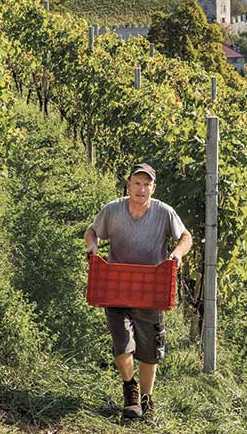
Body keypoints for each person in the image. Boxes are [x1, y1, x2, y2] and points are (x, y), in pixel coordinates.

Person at [85, 163, 192, 424]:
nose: (141, 189)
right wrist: (92, 248)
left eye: (147, 184)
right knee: (122, 347)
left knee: (149, 350)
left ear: (153, 188)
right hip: (117, 287)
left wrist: (176, 255)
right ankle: (129, 388)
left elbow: (186, 237)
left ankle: (146, 399)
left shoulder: (164, 213)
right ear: (128, 185)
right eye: (137, 183)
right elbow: (92, 231)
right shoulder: (113, 210)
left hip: (151, 289)